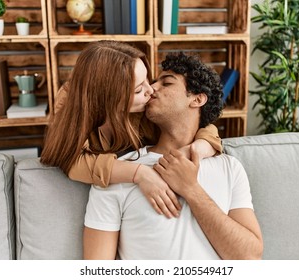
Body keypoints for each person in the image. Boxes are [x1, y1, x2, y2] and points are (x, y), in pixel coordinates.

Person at [83, 52, 263, 260]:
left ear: (197, 99)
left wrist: (191, 190)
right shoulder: (117, 173)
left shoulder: (229, 167)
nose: (151, 89)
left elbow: (250, 258)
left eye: (166, 83)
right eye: (150, 83)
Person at [40, 40, 222, 218]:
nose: (150, 90)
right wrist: (140, 174)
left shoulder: (148, 109)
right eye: (137, 90)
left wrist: (199, 147)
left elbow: (197, 123)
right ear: (107, 96)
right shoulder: (72, 105)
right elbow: (72, 161)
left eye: (147, 80)